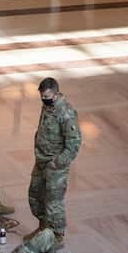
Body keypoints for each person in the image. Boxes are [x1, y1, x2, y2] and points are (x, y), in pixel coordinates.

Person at [30, 77, 82, 238]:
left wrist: (57, 163)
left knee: (54, 203)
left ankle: (58, 236)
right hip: (41, 160)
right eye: (42, 97)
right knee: (35, 195)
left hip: (55, 165)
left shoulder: (66, 113)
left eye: (47, 97)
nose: (44, 101)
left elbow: (74, 143)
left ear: (56, 94)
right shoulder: (47, 107)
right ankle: (43, 229)